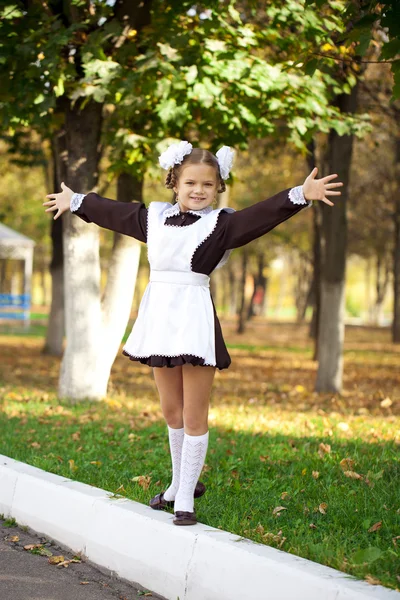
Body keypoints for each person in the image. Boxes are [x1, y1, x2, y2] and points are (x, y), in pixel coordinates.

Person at [43, 140, 343, 526]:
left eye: (207, 184)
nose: (198, 190)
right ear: (174, 183)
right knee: (171, 410)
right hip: (159, 319)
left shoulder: (222, 224)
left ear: (218, 187)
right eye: (190, 183)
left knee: (194, 411)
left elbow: (263, 214)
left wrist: (302, 194)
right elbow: (115, 213)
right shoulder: (153, 218)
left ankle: (186, 495)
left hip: (194, 319)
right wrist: (77, 201)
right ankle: (176, 482)